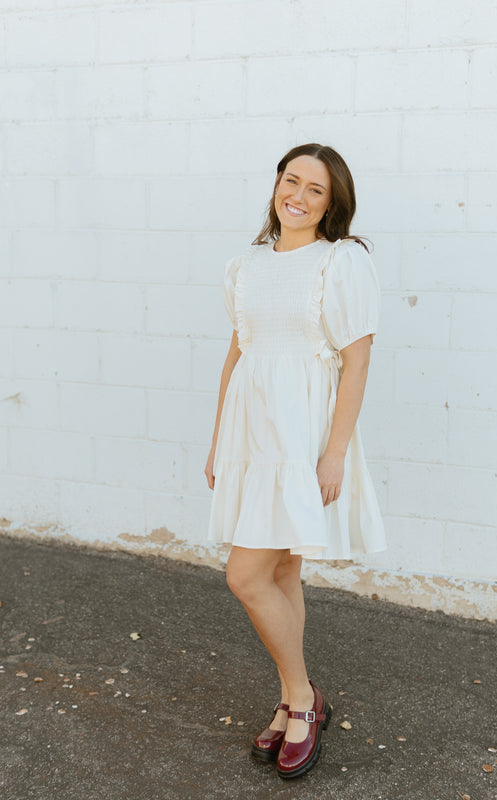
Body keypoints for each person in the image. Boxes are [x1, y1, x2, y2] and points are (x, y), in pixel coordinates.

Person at [204, 143, 387, 780]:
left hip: (304, 436)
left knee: (245, 575)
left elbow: (357, 362)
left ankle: (303, 700)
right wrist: (217, 438)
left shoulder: (342, 263)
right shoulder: (246, 265)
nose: (299, 196)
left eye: (316, 189)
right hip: (253, 435)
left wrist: (334, 454)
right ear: (277, 185)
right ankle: (294, 697)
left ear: (332, 203)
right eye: (292, 181)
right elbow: (238, 351)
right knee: (278, 573)